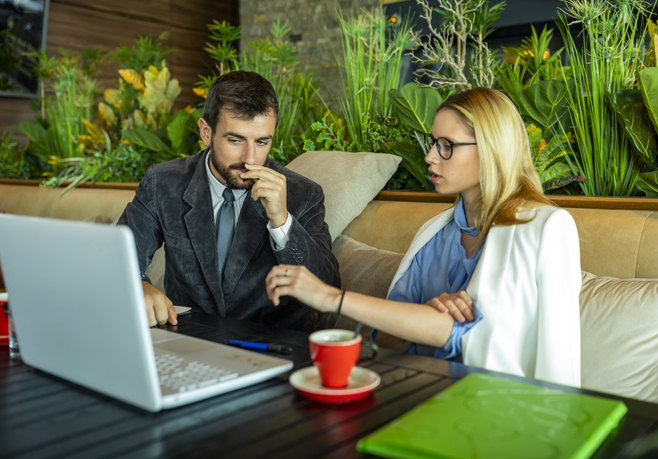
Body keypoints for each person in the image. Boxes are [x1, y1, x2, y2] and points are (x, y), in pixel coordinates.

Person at [265, 87, 581, 387]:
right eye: (433, 143)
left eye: (447, 145)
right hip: (409, 390)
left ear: (491, 149)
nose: (430, 156)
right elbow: (386, 339)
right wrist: (427, 313)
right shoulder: (432, 233)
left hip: (496, 410)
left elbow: (551, 355)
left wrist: (331, 297)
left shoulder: (547, 227)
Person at [118, 70, 340, 331]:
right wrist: (140, 286)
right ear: (206, 132)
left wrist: (282, 222)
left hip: (277, 350)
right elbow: (118, 261)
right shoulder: (163, 183)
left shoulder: (304, 194)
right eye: (235, 140)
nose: (250, 157)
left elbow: (328, 293)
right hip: (191, 344)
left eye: (262, 141)